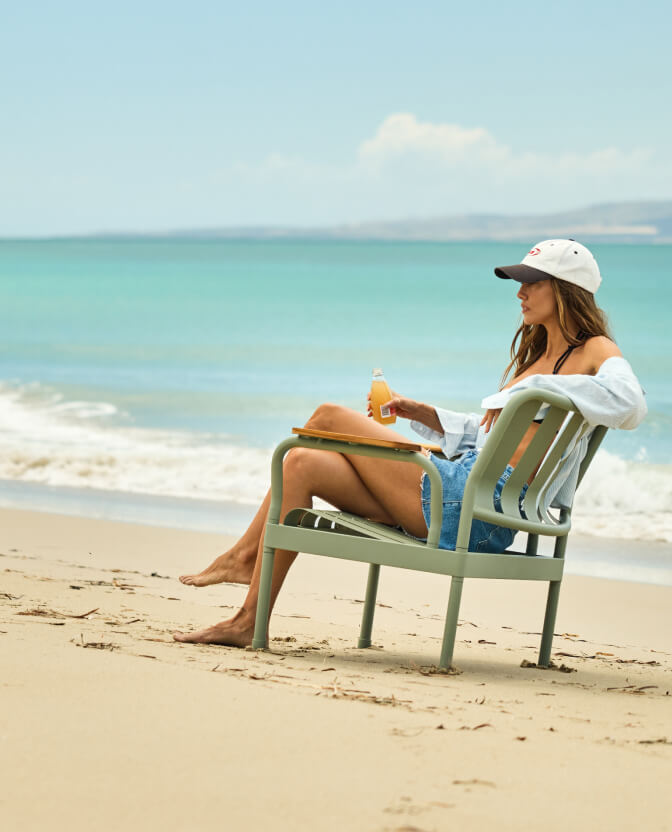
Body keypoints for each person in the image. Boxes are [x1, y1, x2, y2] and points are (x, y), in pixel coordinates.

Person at [173, 238, 647, 647]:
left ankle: (241, 557)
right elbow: (493, 440)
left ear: (566, 290)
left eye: (533, 283)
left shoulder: (593, 350)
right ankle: (246, 620)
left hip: (471, 509)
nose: (520, 293)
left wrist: (538, 390)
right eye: (519, 283)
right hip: (464, 495)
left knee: (327, 415)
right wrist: (419, 412)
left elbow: (631, 403)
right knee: (300, 462)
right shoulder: (539, 355)